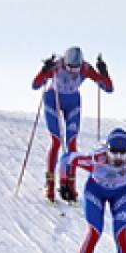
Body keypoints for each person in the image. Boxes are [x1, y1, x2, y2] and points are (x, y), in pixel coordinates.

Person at [31, 47, 113, 202]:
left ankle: (70, 184)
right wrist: (44, 70)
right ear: (64, 63)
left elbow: (108, 89)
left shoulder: (86, 68)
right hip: (52, 100)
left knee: (72, 145)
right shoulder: (56, 66)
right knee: (56, 141)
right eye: (69, 68)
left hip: (72, 102)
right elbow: (35, 85)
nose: (73, 72)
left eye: (76, 69)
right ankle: (49, 184)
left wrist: (104, 72)